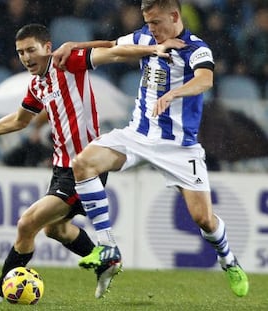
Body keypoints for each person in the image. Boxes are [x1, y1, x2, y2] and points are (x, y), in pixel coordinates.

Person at [0, 23, 182, 301]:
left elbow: (112, 54)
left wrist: (152, 49)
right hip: (61, 168)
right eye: (20, 52)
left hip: (85, 166)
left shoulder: (68, 62)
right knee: (55, 229)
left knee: (27, 224)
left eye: (31, 50)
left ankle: (1, 289)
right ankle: (104, 262)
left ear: (48, 48)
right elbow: (19, 120)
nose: (26, 57)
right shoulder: (38, 84)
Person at [52, 0, 249, 298]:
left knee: (203, 220)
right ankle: (108, 247)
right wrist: (73, 44)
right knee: (83, 164)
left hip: (179, 148)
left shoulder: (196, 48)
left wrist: (174, 93)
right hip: (137, 135)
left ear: (174, 16)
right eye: (148, 23)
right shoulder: (146, 37)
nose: (152, 29)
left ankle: (228, 259)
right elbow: (112, 44)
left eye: (157, 22)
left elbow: (205, 79)